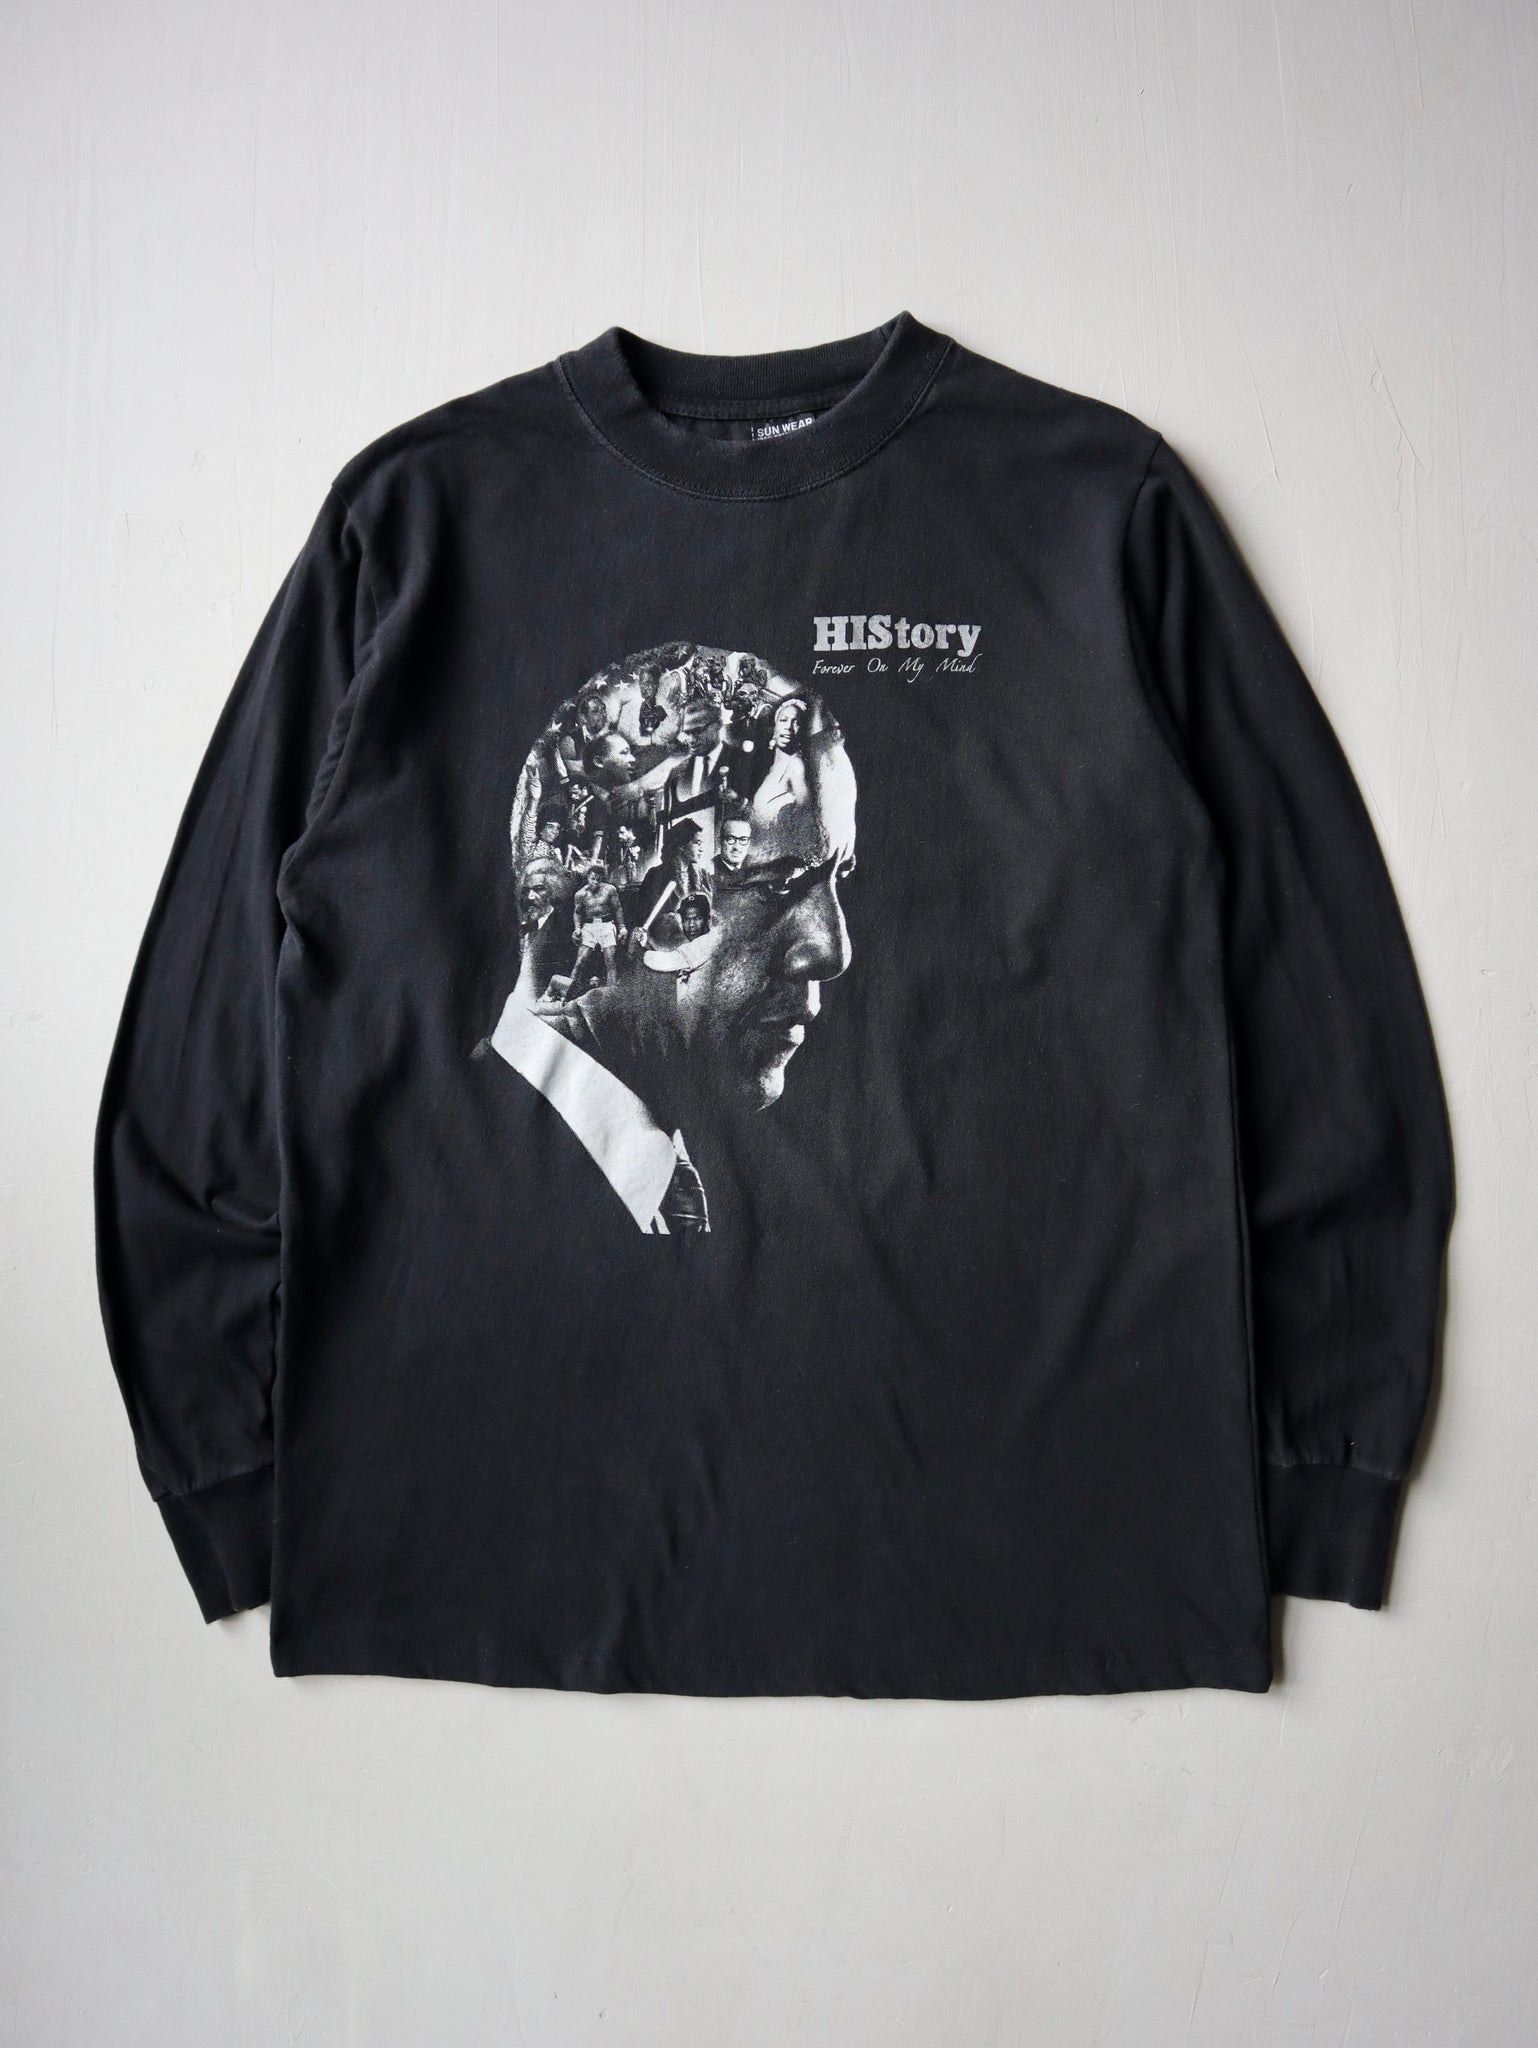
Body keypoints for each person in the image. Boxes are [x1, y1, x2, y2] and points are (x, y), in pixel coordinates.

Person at [483, 648, 856, 1235]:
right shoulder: (494, 1181)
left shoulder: (637, 1171)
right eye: (777, 882)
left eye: (839, 878)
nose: (832, 951)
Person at [565, 862, 626, 999]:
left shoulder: (609, 889)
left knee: (610, 960)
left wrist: (622, 927)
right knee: (580, 961)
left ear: (602, 878)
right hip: (589, 926)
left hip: (606, 925)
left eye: (598, 879)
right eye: (592, 878)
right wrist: (577, 929)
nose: (595, 882)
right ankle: (566, 993)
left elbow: (617, 908)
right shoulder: (580, 894)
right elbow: (577, 912)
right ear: (587, 877)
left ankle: (611, 996)